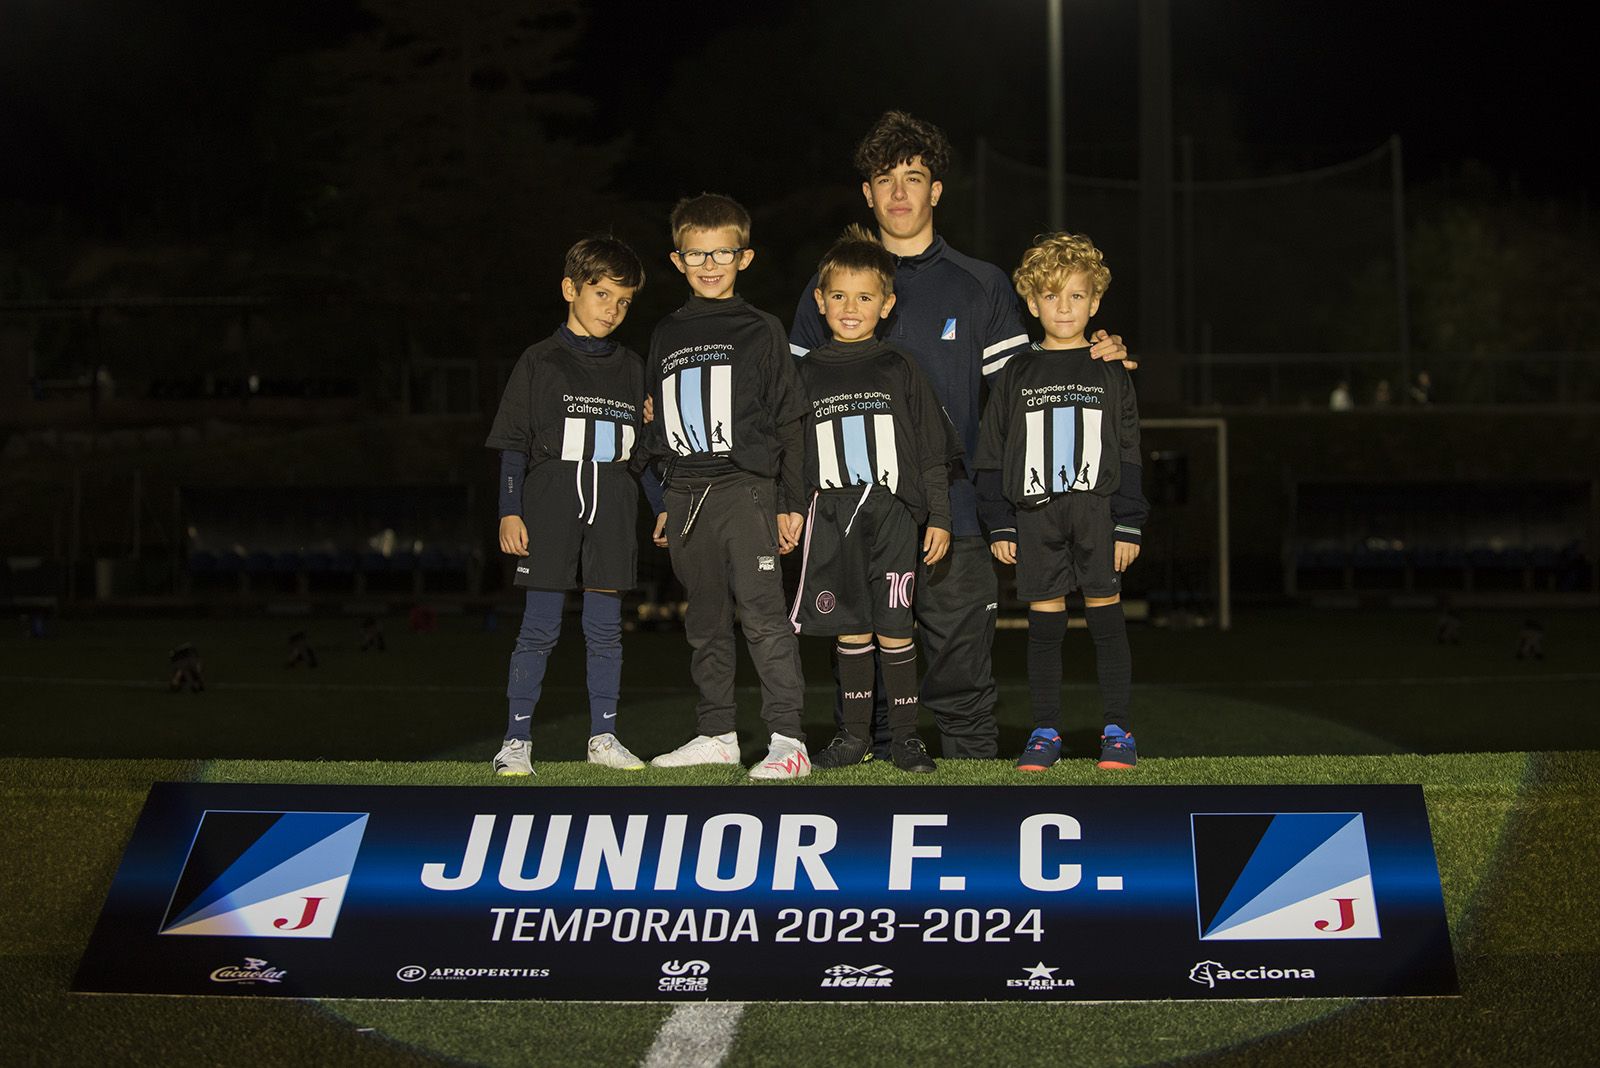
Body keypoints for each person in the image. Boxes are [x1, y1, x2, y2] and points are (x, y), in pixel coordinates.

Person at [790, 110, 1130, 759]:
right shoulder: (831, 286)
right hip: (852, 515)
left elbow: (1025, 395)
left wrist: (1094, 355)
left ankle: (972, 786)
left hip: (960, 513)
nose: (898, 192)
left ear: (936, 190)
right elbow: (790, 401)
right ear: (866, 193)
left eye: (913, 178)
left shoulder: (980, 284)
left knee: (963, 676)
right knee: (861, 670)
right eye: (884, 179)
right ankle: (869, 776)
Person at [643, 193, 812, 780]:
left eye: (722, 253)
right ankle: (717, 733)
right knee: (705, 621)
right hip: (686, 497)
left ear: (745, 257)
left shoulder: (761, 329)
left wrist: (790, 502)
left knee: (763, 617)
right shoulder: (665, 332)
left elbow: (790, 421)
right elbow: (656, 427)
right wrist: (663, 498)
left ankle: (789, 740)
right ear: (677, 260)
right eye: (697, 254)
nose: (709, 265)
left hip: (746, 490)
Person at [789, 226, 961, 774]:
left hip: (892, 515)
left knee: (895, 625)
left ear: (885, 305)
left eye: (864, 297)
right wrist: (789, 508)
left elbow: (931, 451)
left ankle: (907, 738)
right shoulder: (805, 372)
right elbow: (791, 455)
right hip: (832, 516)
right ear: (820, 301)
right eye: (839, 295)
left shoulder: (899, 367)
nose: (850, 308)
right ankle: (853, 737)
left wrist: (939, 516)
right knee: (851, 628)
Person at [974, 233, 1147, 770]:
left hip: (1097, 511)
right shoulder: (1016, 372)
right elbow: (992, 453)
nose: (1064, 307)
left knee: (1105, 618)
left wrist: (1128, 523)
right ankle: (1045, 730)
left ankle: (1117, 730)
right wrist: (1000, 523)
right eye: (1051, 296)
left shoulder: (1110, 368)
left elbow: (1129, 447)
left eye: (1076, 296)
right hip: (1035, 515)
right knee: (1044, 623)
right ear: (1032, 303)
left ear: (1095, 302)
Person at [483, 235, 651, 776]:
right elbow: (513, 442)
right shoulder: (539, 360)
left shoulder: (632, 367)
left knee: (605, 629)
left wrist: (662, 505)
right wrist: (510, 509)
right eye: (602, 294)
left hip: (614, 501)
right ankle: (516, 742)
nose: (612, 309)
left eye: (623, 301)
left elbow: (642, 452)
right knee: (539, 627)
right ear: (569, 289)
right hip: (551, 499)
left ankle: (604, 737)